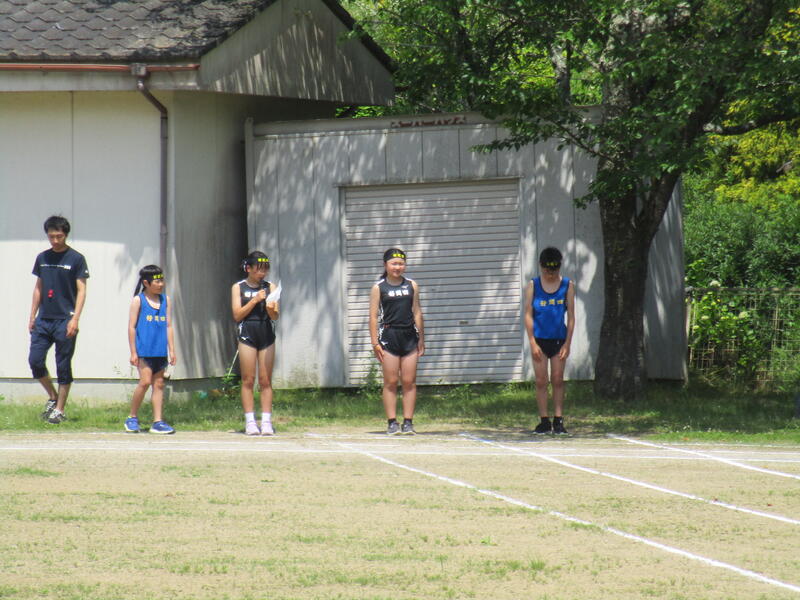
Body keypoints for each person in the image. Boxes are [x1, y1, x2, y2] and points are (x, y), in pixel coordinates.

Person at [28, 215, 89, 425]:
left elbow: (82, 290)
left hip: (65, 319)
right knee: (35, 361)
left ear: (66, 235)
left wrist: (75, 319)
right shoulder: (42, 258)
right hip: (44, 319)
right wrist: (32, 315)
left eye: (59, 236)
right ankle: (53, 397)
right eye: (51, 236)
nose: (55, 240)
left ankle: (60, 409)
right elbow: (38, 288)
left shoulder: (76, 259)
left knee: (62, 364)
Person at [369, 248, 425, 435]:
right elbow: (373, 316)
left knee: (409, 381)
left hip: (409, 337)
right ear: (385, 265)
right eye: (394, 263)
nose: (397, 267)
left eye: (401, 264)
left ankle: (408, 422)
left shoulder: (411, 285)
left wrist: (421, 339)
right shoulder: (379, 287)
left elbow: (417, 312)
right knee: (391, 381)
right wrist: (375, 342)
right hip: (389, 337)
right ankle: (392, 422)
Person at [524, 247, 575, 435]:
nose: (550, 274)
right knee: (541, 380)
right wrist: (532, 342)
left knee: (558, 379)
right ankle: (544, 420)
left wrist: (568, 343)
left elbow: (571, 317)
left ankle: (558, 420)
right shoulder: (533, 285)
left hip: (559, 339)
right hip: (539, 339)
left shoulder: (567, 285)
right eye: (547, 270)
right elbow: (528, 314)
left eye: (554, 270)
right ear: (541, 266)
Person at [231, 251, 279, 436]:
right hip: (247, 334)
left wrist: (271, 308)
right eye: (259, 269)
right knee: (248, 379)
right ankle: (250, 421)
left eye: (265, 269)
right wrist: (254, 300)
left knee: (265, 380)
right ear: (249, 268)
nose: (262, 273)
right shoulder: (238, 287)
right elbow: (237, 315)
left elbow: (275, 316)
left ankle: (266, 421)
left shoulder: (270, 286)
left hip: (266, 333)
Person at [125, 265, 177, 434]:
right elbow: (131, 327)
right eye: (157, 281)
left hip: (160, 350)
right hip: (144, 350)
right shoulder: (138, 300)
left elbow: (168, 326)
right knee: (145, 382)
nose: (161, 284)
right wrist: (133, 352)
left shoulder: (166, 300)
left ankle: (158, 421)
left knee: (159, 384)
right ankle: (132, 417)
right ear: (146, 283)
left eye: (162, 280)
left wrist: (172, 350)